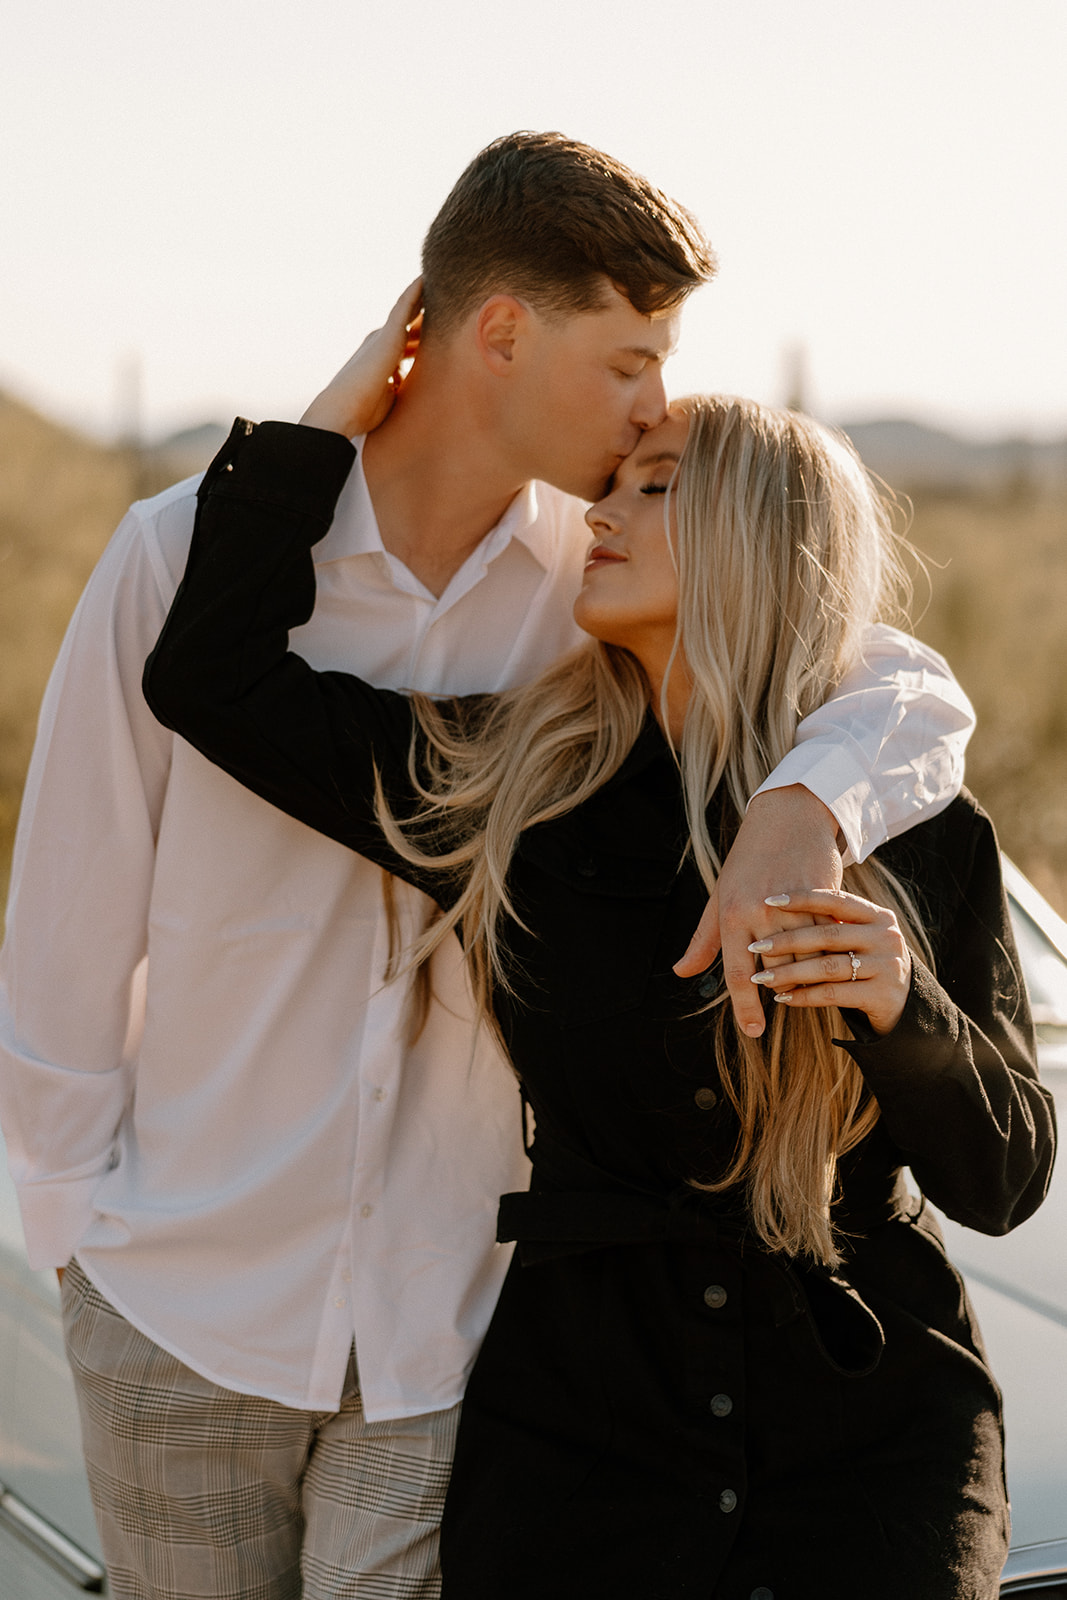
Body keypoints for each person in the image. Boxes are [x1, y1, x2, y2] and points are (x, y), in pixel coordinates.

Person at [0, 133, 973, 1600]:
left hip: (450, 1327)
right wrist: (73, 1238)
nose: (659, 406)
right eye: (631, 361)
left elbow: (864, 658)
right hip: (181, 1302)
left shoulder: (587, 593)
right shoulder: (179, 563)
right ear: (501, 333)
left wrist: (809, 802)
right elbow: (68, 925)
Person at [143, 379, 1054, 1600]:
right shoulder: (505, 788)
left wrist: (902, 1008)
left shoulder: (910, 822)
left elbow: (1003, 1180)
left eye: (655, 484)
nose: (600, 514)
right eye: (610, 484)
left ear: (762, 537)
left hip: (873, 1435)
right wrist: (335, 419)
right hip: (582, 1437)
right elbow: (210, 672)